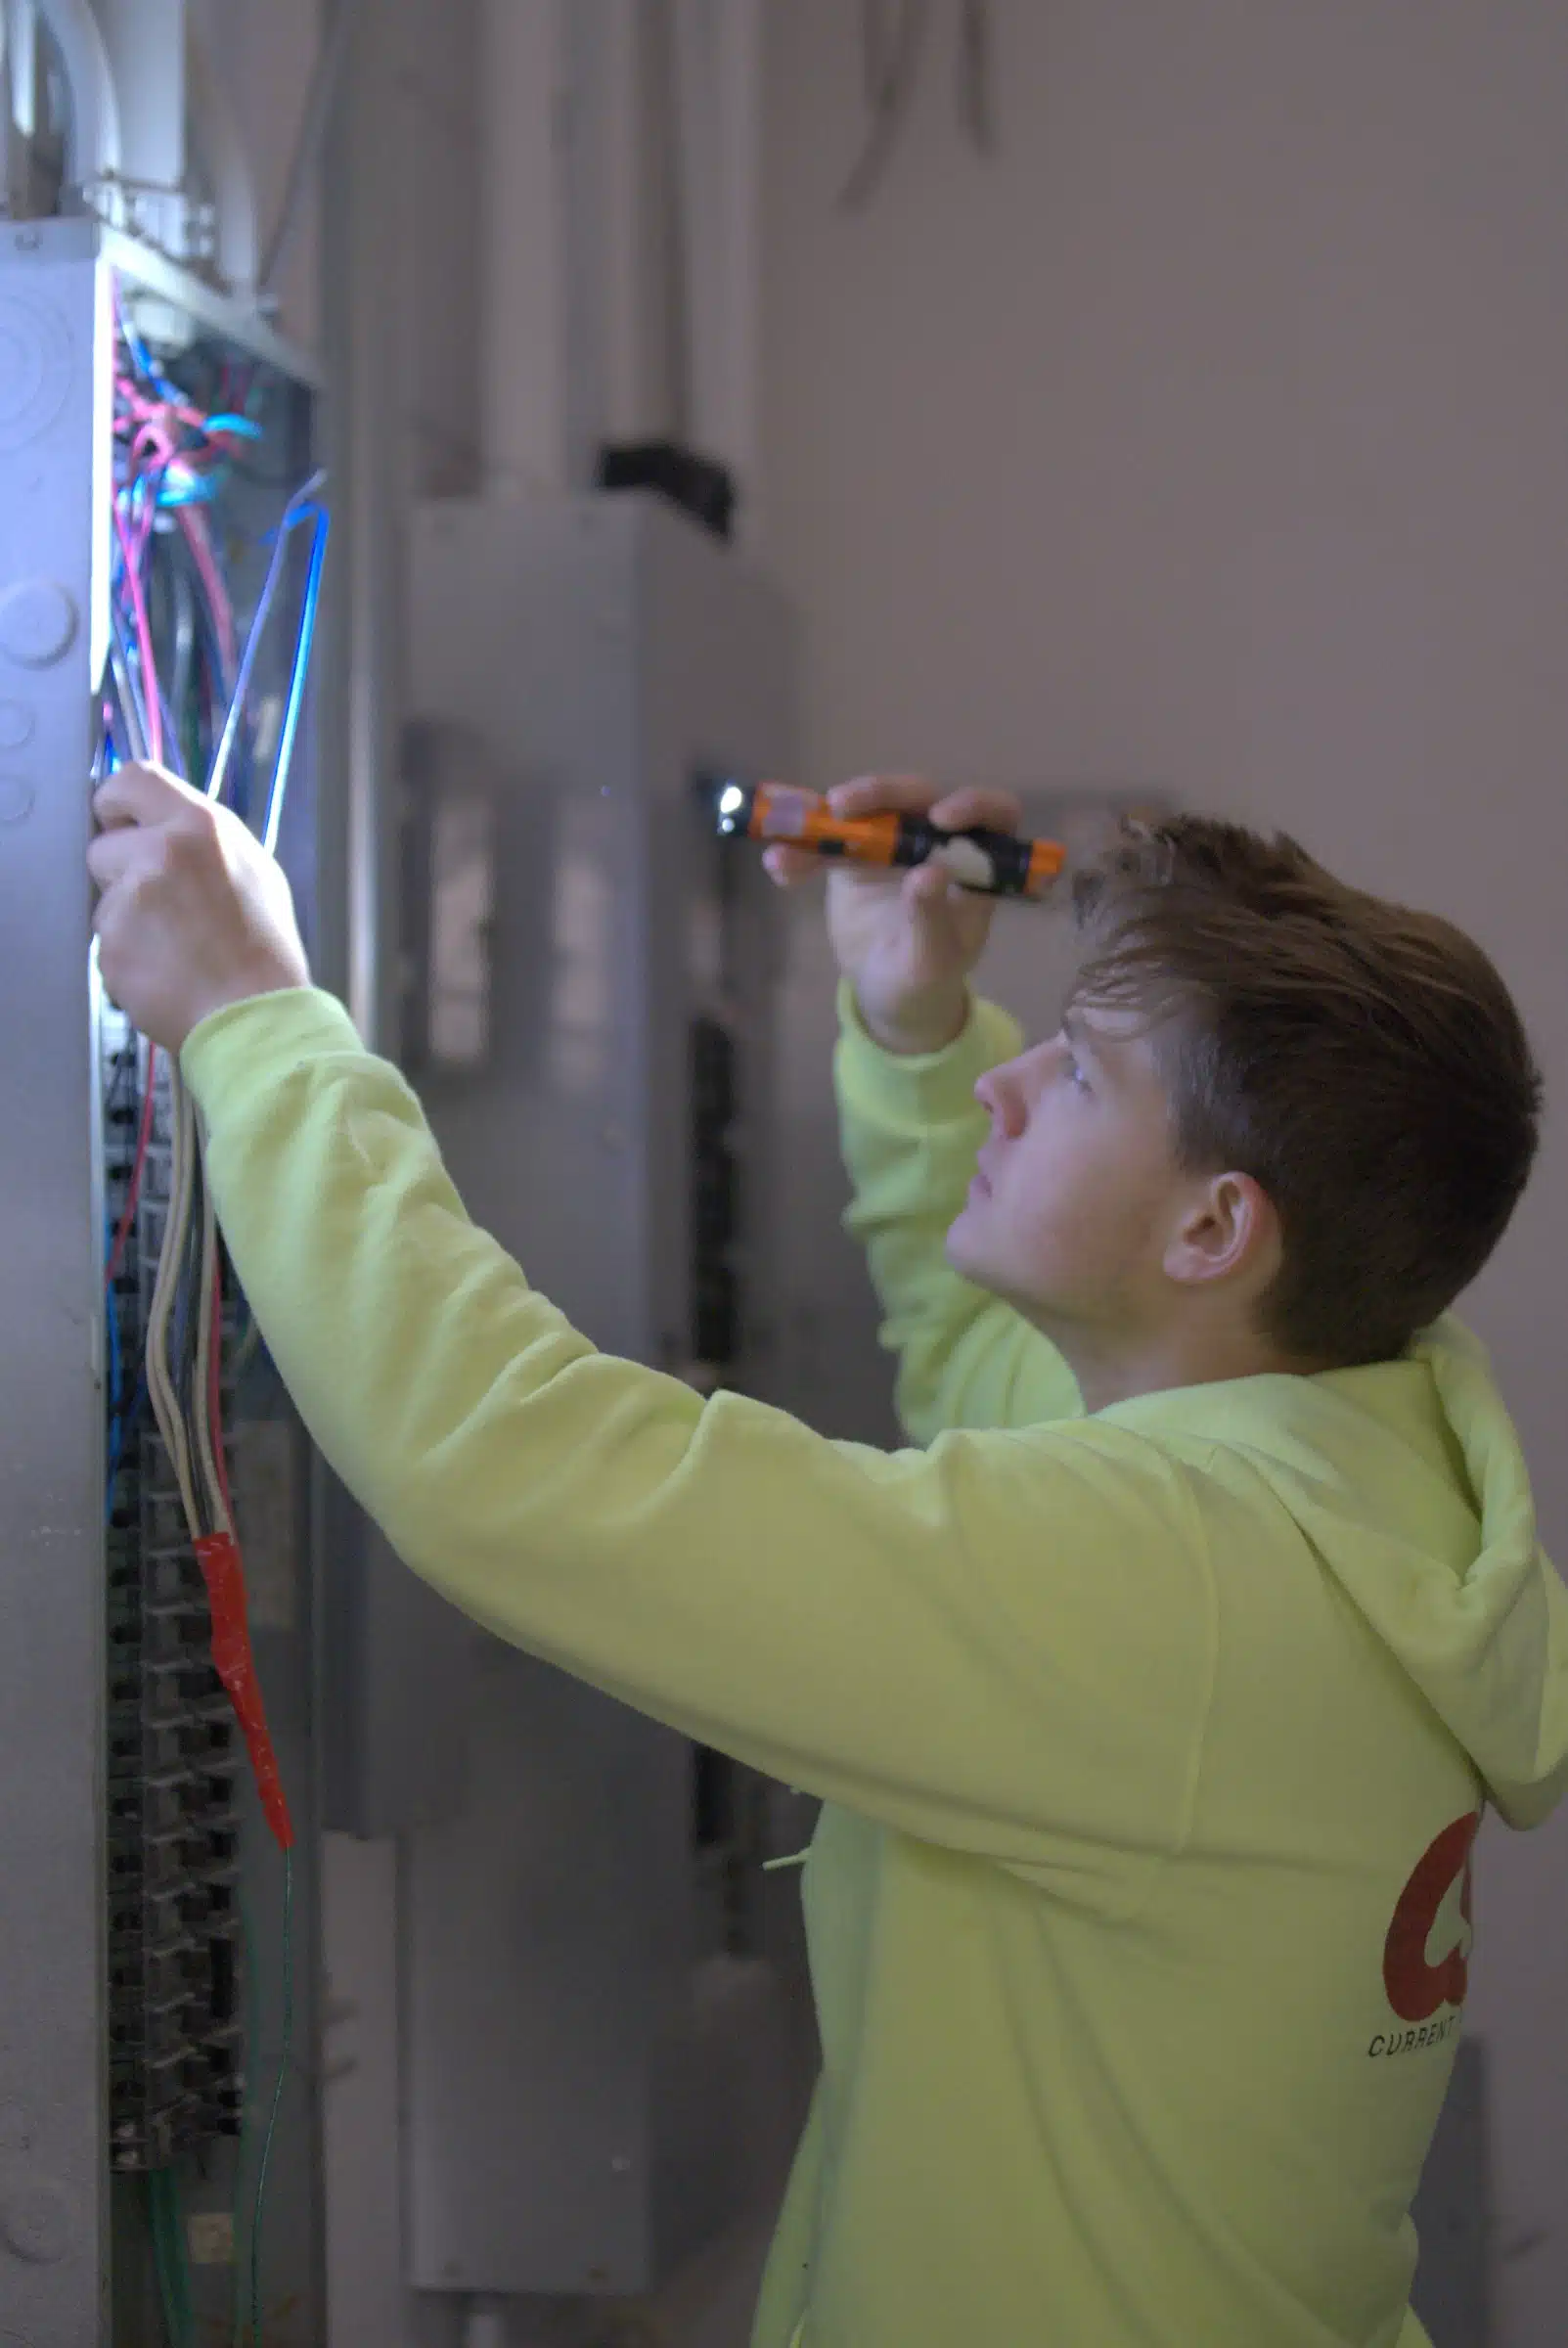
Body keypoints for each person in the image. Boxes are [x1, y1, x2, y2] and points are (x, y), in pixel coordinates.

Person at [89, 761, 1568, 2348]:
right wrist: (918, 1028)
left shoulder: (1172, 1592)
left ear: (1211, 1231)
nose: (1018, 1084)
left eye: (1077, 1079)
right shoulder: (1362, 1478)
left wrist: (258, 1018)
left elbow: (510, 1464)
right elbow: (998, 1377)